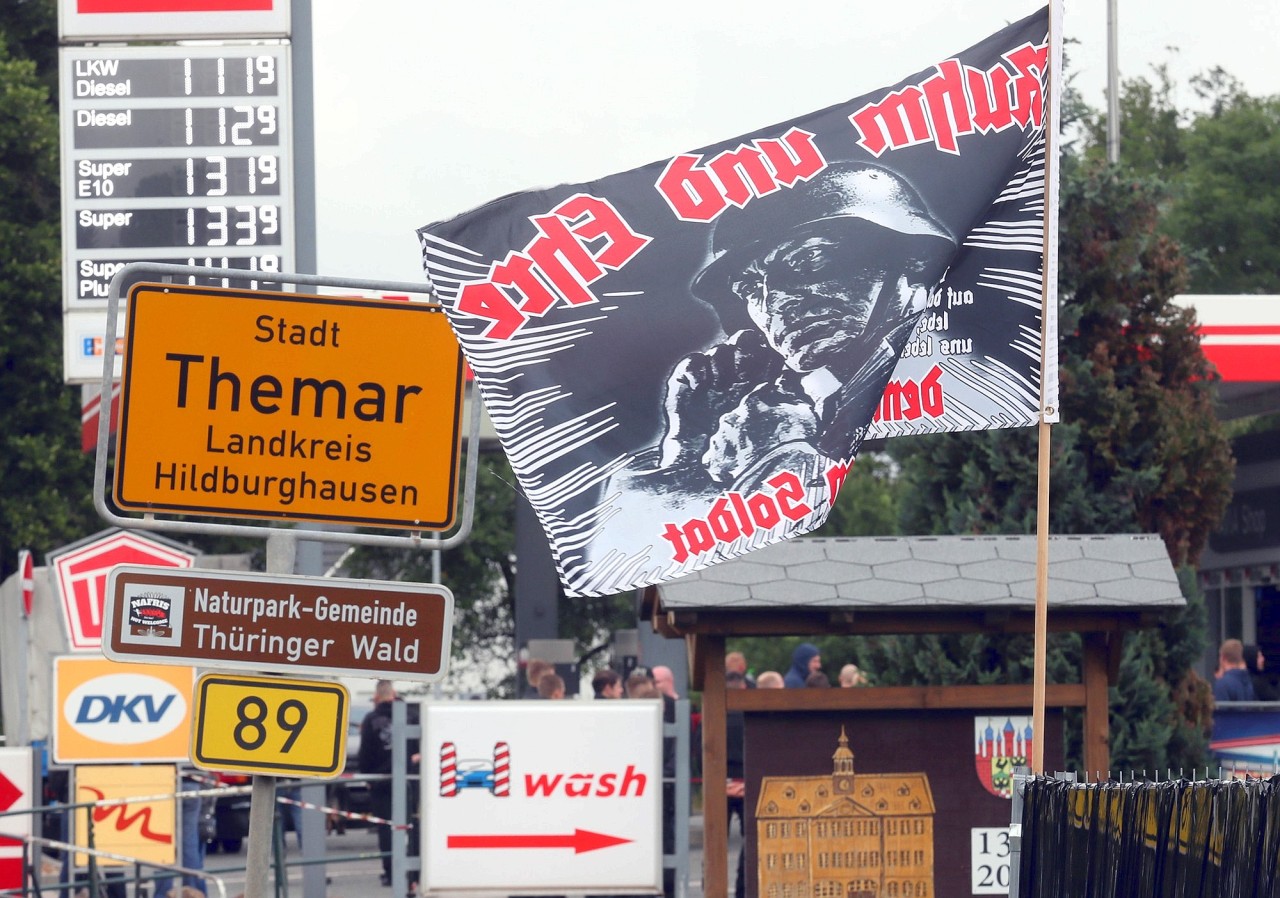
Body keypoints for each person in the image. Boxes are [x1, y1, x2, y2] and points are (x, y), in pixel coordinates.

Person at [640, 162, 954, 495]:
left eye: (810, 258)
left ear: (912, 260)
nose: (774, 301)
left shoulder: (961, 372)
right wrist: (688, 458)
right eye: (749, 287)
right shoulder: (821, 398)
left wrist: (781, 456)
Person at [358, 680, 400, 887]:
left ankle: (391, 873)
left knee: (386, 829)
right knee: (411, 825)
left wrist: (367, 778)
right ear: (395, 693)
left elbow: (364, 755)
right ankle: (412, 874)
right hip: (410, 781)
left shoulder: (371, 719)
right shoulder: (411, 715)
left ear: (376, 697)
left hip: (380, 782)